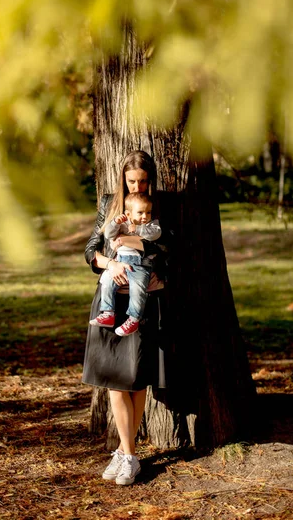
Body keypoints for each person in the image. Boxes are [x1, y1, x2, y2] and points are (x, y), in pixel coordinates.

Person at [83, 150, 171, 486]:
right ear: (122, 178)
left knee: (135, 378)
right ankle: (128, 454)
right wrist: (112, 264)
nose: (138, 185)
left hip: (143, 302)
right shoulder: (109, 204)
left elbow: (168, 246)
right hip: (110, 301)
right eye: (132, 180)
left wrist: (134, 241)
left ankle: (126, 455)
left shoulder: (155, 206)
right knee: (113, 381)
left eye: (144, 180)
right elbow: (92, 249)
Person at [90, 192, 162, 337]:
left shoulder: (151, 224)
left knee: (137, 289)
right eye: (140, 212)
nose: (145, 216)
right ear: (128, 214)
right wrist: (115, 222)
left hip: (140, 264)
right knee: (107, 281)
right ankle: (108, 312)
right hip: (121, 261)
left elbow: (155, 235)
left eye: (148, 212)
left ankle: (134, 319)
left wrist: (138, 229)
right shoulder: (124, 224)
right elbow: (109, 234)